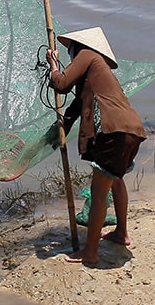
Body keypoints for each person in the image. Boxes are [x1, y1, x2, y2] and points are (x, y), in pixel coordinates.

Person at [45, 27, 147, 266]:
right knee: (116, 179)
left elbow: (60, 84)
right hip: (131, 131)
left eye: (71, 51)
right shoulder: (96, 78)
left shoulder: (88, 56)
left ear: (78, 49)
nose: (71, 56)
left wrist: (53, 65)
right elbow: (73, 110)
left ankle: (90, 253)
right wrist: (57, 132)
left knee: (100, 193)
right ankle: (121, 233)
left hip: (112, 132)